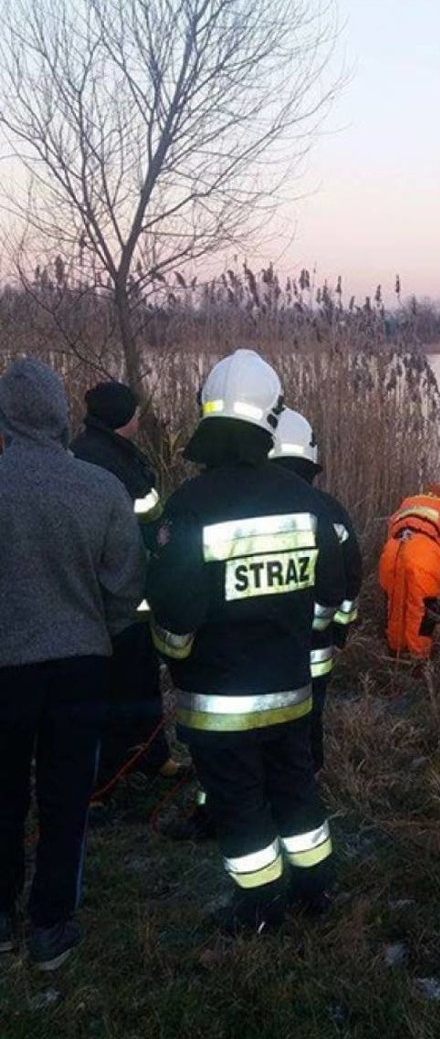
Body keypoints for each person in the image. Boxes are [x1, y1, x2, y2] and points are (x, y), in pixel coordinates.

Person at [146, 350, 345, 933]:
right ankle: (315, 893)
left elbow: (176, 613)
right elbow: (330, 592)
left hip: (219, 704)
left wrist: (173, 658)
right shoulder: (307, 501)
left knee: (238, 805)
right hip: (291, 692)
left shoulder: (190, 506)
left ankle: (260, 909)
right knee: (294, 792)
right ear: (271, 419)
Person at [0, 360, 145, 970]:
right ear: (62, 416)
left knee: (3, 794)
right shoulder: (100, 489)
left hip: (6, 667)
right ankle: (51, 925)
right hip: (83, 664)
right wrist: (103, 630)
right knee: (65, 797)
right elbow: (125, 586)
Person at [71, 381, 180, 791]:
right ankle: (109, 776)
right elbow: (149, 522)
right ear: (122, 418)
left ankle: (151, 757)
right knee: (123, 681)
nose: (139, 417)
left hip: (111, 593)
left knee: (137, 676)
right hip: (122, 593)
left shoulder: (91, 450)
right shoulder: (107, 461)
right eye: (135, 411)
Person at [269, 408, 362, 770]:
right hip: (315, 651)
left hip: (257, 654)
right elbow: (351, 575)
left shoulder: (247, 507)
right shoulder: (330, 510)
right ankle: (308, 783)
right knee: (309, 722)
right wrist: (338, 627)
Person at [378, 482, 440, 659]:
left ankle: (395, 650)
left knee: (395, 605)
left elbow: (391, 533)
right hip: (423, 558)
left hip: (392, 553)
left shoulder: (405, 507)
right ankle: (418, 658)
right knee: (422, 611)